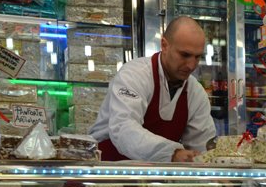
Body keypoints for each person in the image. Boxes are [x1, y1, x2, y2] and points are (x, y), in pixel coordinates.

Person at [90, 16, 216, 162]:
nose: (191, 65)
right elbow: (123, 129)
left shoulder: (195, 93)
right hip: (109, 173)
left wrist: (210, 164)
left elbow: (201, 147)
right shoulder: (134, 75)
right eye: (185, 55)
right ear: (164, 45)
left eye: (197, 57)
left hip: (154, 181)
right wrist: (172, 153)